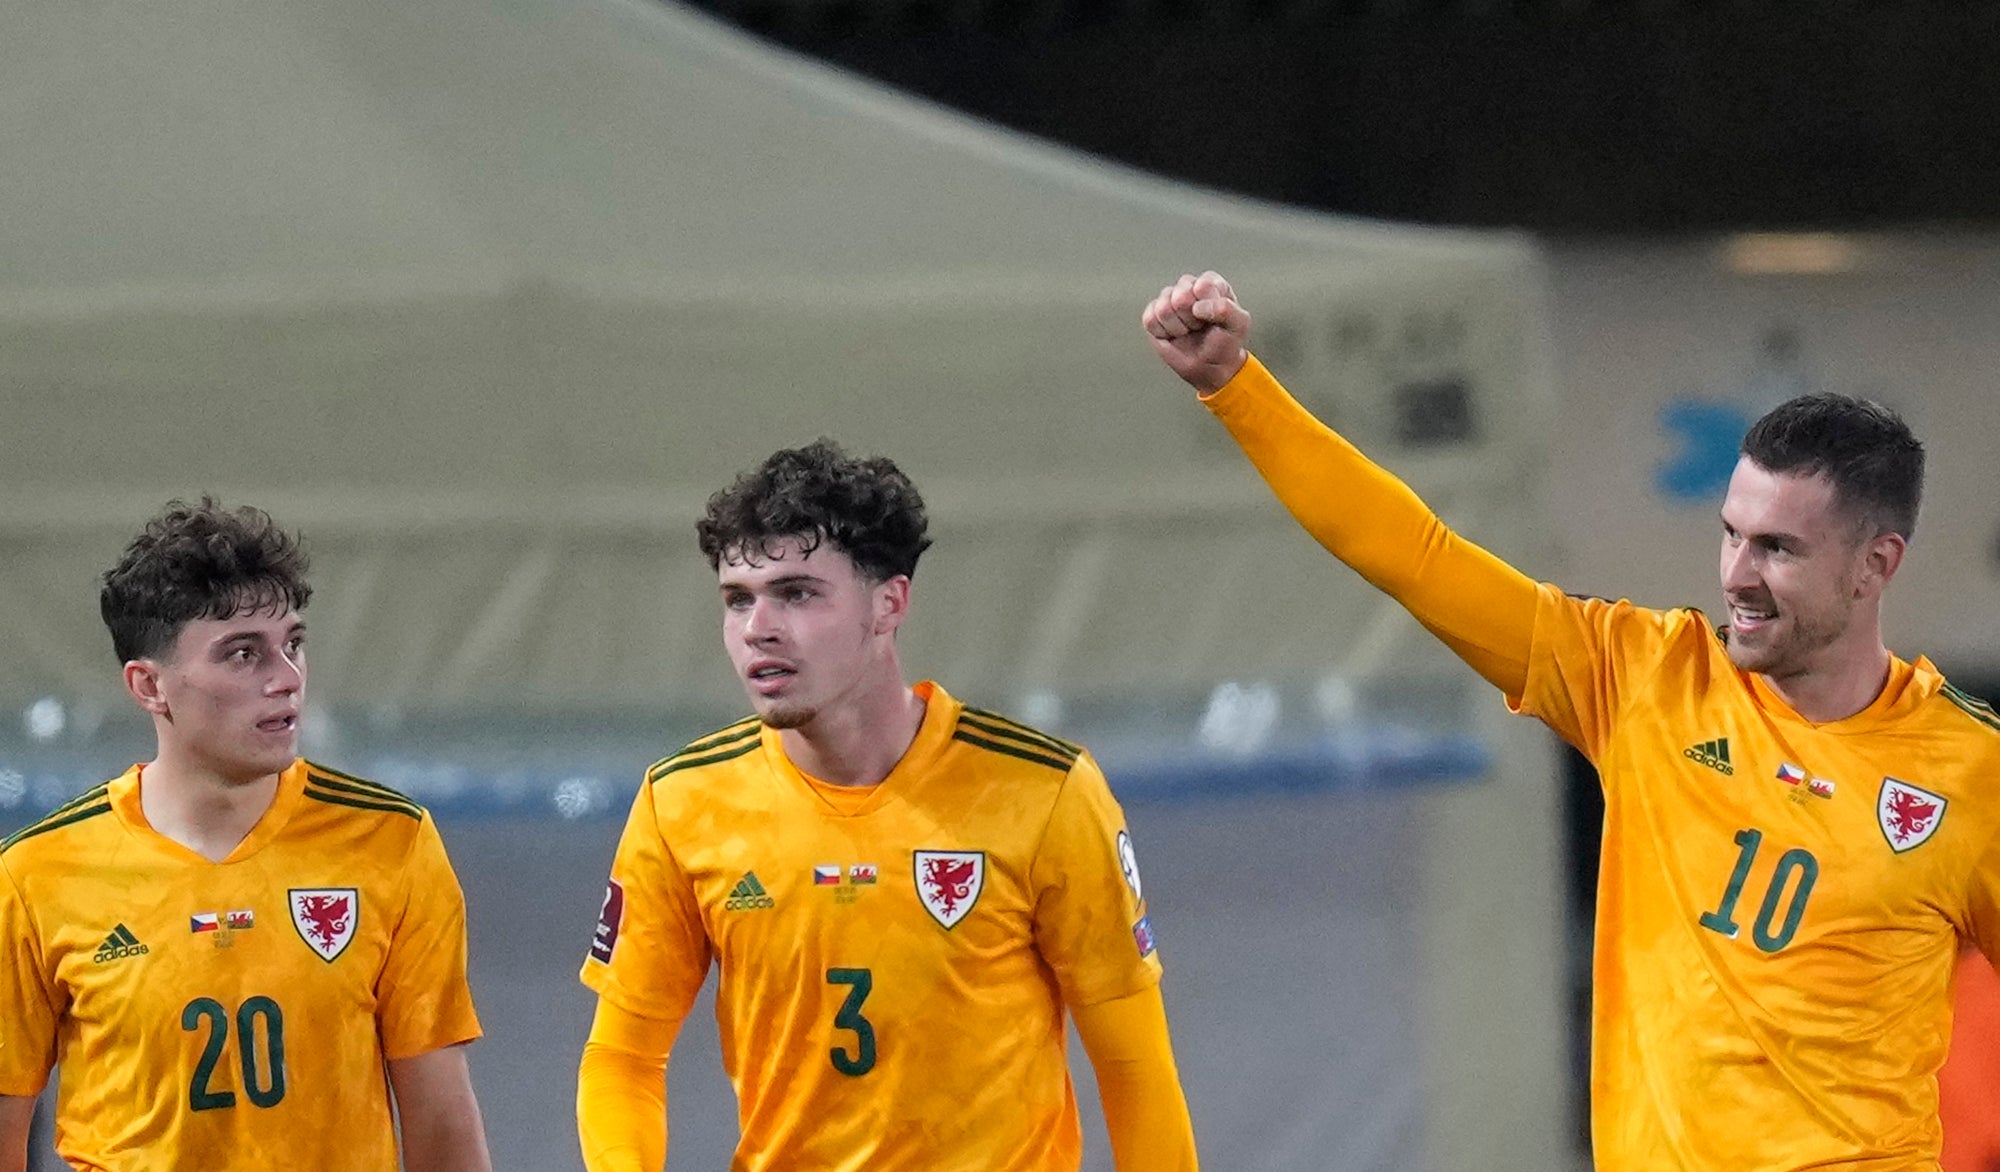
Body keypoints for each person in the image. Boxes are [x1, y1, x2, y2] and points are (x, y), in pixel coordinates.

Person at [1144, 271, 2000, 1169]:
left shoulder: (1968, 772)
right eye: (1731, 533)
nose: (1737, 575)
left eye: (1778, 548)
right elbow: (1414, 556)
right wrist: (1234, 388)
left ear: (1875, 564)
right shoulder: (1641, 677)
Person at [575, 440, 1198, 1170]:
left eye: (797, 593)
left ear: (889, 603)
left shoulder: (1044, 793)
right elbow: (621, 1059)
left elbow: (1135, 1073)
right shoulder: (682, 802)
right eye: (737, 599)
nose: (757, 628)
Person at [0, 499, 492, 1171]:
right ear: (149, 686)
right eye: (243, 654)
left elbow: (442, 1126)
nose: (286, 680)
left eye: (292, 644)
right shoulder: (35, 874)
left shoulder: (390, 842)